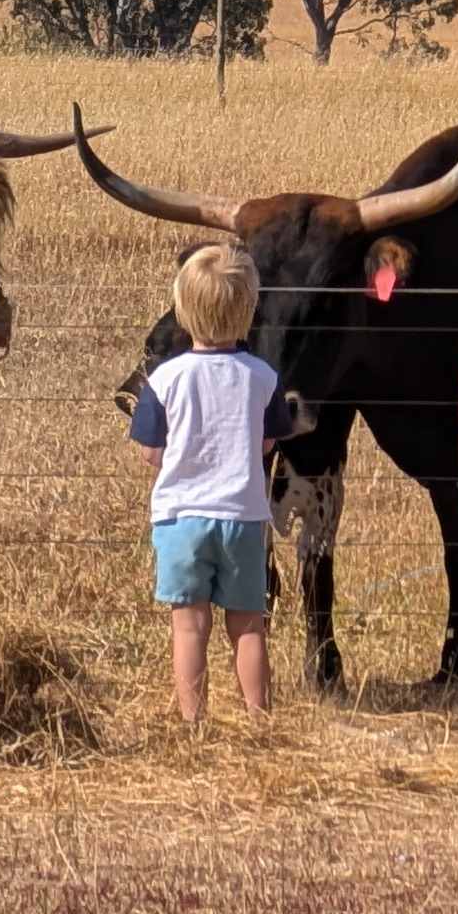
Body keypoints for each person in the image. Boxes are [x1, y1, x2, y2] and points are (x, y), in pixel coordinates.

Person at [127, 238, 301, 724]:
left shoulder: (164, 380)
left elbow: (151, 453)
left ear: (182, 312)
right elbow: (269, 444)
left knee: (190, 627)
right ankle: (258, 719)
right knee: (249, 626)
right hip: (243, 518)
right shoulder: (263, 377)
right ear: (249, 310)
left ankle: (193, 723)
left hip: (181, 520)